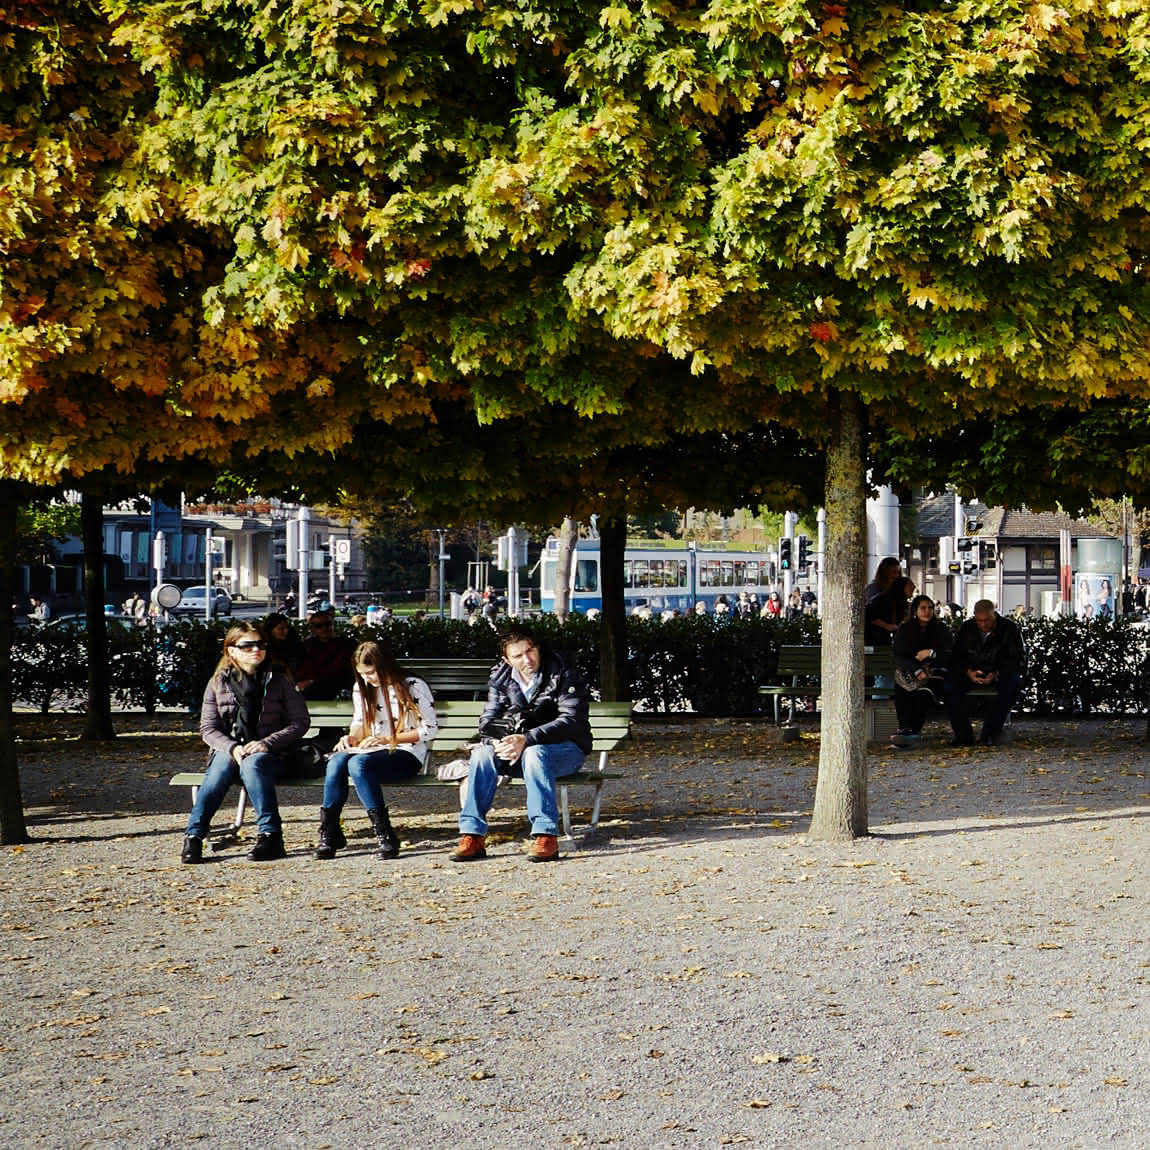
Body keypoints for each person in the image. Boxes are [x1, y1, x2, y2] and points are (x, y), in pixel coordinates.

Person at [451, 626, 592, 864]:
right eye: (518, 656)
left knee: (535, 753)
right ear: (507, 659)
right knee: (483, 753)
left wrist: (527, 739)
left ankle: (546, 835)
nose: (527, 659)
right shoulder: (501, 677)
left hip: (566, 750)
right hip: (517, 752)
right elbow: (487, 721)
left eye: (530, 650)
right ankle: (472, 835)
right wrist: (498, 742)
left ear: (537, 648)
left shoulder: (563, 671)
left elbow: (571, 720)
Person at [181, 623, 309, 863]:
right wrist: (232, 747)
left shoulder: (279, 680)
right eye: (247, 645)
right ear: (231, 651)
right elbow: (208, 729)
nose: (255, 650)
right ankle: (194, 837)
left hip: (273, 753)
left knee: (253, 763)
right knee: (221, 765)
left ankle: (271, 836)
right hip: (231, 749)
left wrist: (267, 743)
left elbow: (299, 723)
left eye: (260, 645)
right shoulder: (218, 682)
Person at [315, 642, 438, 860]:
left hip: (406, 752)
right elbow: (360, 722)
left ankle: (384, 832)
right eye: (362, 674)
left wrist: (386, 738)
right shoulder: (361, 687)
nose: (367, 679)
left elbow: (429, 730)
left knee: (357, 764)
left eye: (371, 673)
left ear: (384, 665)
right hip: (372, 749)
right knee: (336, 762)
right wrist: (351, 736)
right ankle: (330, 831)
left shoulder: (413, 685)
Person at [943, 599, 1026, 747]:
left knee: (1011, 685)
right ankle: (963, 735)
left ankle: (989, 733)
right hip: (971, 672)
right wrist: (968, 671)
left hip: (1000, 673)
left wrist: (996, 673)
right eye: (979, 621)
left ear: (994, 614)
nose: (983, 625)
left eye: (987, 620)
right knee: (949, 687)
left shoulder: (1010, 628)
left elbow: (1018, 658)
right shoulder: (967, 628)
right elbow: (957, 657)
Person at [891, 595, 954, 745]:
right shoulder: (904, 630)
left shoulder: (941, 629)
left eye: (930, 608)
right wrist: (916, 670)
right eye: (923, 608)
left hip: (935, 671)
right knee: (902, 690)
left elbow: (949, 653)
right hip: (910, 672)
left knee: (924, 693)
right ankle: (904, 728)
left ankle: (913, 730)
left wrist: (931, 652)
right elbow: (899, 656)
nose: (927, 611)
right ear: (915, 610)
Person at [294, 611, 357, 700]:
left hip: (339, 690)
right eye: (318, 626)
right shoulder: (307, 646)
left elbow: (340, 670)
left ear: (333, 625)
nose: (324, 628)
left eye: (327, 624)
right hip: (309, 692)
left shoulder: (347, 644)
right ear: (312, 628)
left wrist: (313, 681)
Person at [264, 612, 306, 676]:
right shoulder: (264, 643)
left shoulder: (292, 638)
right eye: (281, 629)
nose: (286, 631)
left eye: (287, 627)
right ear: (270, 630)